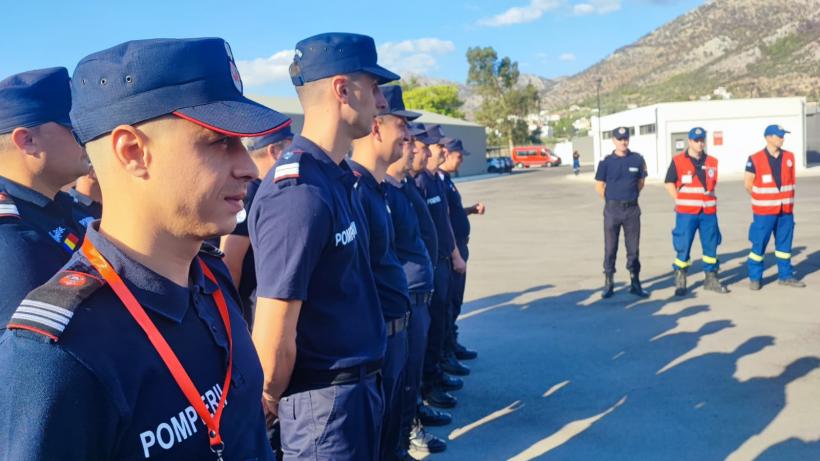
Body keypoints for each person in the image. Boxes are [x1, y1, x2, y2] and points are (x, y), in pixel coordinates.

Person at [0, 37, 290, 459]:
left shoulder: (210, 276)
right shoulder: (59, 354)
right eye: (218, 141)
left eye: (241, 145)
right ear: (133, 151)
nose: (247, 167)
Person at [247, 32, 398, 461]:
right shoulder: (299, 192)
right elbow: (274, 326)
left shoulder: (333, 178)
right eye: (374, 87)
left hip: (352, 393)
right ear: (342, 90)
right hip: (324, 409)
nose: (381, 102)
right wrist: (270, 396)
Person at [350, 84, 418, 461]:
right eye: (401, 126)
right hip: (377, 342)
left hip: (396, 332)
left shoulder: (377, 189)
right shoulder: (356, 190)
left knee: (391, 432)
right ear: (376, 128)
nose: (407, 136)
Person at [0, 67, 92, 329]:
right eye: (75, 129)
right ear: (27, 140)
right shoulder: (11, 242)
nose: (88, 139)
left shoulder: (62, 207)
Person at [401, 124, 451, 455]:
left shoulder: (405, 186)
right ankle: (407, 432)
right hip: (404, 299)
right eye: (413, 143)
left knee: (414, 368)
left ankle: (415, 415)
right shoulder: (377, 188)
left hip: (421, 290)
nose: (423, 151)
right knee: (405, 375)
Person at [221, 124, 294, 328]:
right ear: (274, 151)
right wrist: (231, 319)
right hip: (239, 303)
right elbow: (230, 261)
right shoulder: (250, 192)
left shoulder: (260, 189)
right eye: (290, 148)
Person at [663, 127, 729, 296]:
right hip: (686, 213)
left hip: (708, 212)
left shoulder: (712, 161)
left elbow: (712, 185)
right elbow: (669, 182)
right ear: (690, 141)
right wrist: (678, 199)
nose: (700, 144)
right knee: (683, 245)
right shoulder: (678, 161)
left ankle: (711, 278)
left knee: (711, 245)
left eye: (702, 140)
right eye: (696, 140)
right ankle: (680, 278)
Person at [744, 124, 805, 290]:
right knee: (759, 245)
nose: (782, 139)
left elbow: (790, 181)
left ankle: (785, 276)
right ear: (768, 138)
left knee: (784, 247)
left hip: (785, 211)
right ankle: (755, 278)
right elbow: (748, 184)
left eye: (783, 136)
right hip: (764, 212)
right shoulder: (755, 158)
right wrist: (763, 199)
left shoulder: (789, 157)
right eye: (779, 136)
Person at [594, 126, 650, 299]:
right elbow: (599, 186)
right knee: (610, 248)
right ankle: (609, 282)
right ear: (613, 140)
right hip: (612, 210)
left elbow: (641, 182)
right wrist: (613, 200)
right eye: (619, 139)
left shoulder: (637, 159)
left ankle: (635, 282)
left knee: (633, 248)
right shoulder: (606, 162)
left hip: (632, 210)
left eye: (625, 138)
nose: (623, 142)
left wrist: (630, 197)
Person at [440, 137, 482, 361]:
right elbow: (443, 220)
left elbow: (453, 213)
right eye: (458, 156)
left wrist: (470, 210)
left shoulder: (446, 180)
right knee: (449, 303)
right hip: (453, 248)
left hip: (459, 245)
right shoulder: (436, 181)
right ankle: (446, 352)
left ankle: (452, 343)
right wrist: (455, 254)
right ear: (446, 153)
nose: (461, 161)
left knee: (455, 301)